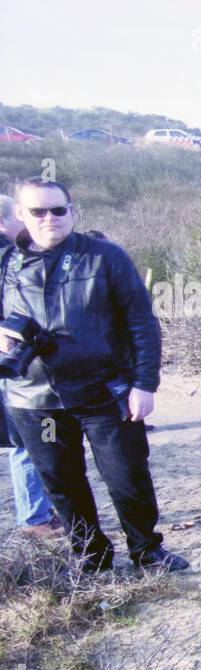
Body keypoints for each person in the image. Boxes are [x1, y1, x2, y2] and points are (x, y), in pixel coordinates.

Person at [0, 178, 187, 572]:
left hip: (105, 392)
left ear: (73, 211)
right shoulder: (5, 265)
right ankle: (91, 555)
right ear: (20, 214)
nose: (50, 218)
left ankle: (146, 549)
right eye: (38, 211)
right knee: (62, 482)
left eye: (58, 210)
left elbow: (142, 322)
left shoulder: (104, 257)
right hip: (36, 401)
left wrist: (144, 383)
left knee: (126, 475)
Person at [0, 193, 60, 536]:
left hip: (21, 366)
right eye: (27, 214)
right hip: (15, 368)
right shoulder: (8, 258)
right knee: (26, 441)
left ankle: (40, 512)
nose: (32, 221)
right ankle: (35, 518)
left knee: (31, 440)